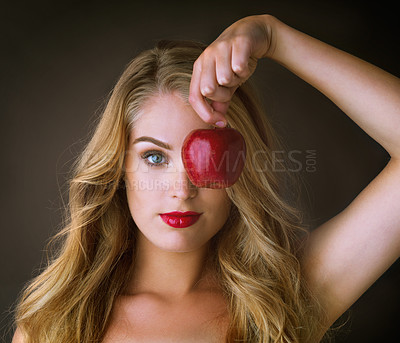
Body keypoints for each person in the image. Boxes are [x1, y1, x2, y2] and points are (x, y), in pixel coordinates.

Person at [12, 14, 400, 343]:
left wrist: (274, 36)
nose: (182, 190)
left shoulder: (288, 296)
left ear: (240, 173)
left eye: (209, 158)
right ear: (118, 170)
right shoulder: (52, 322)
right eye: (153, 156)